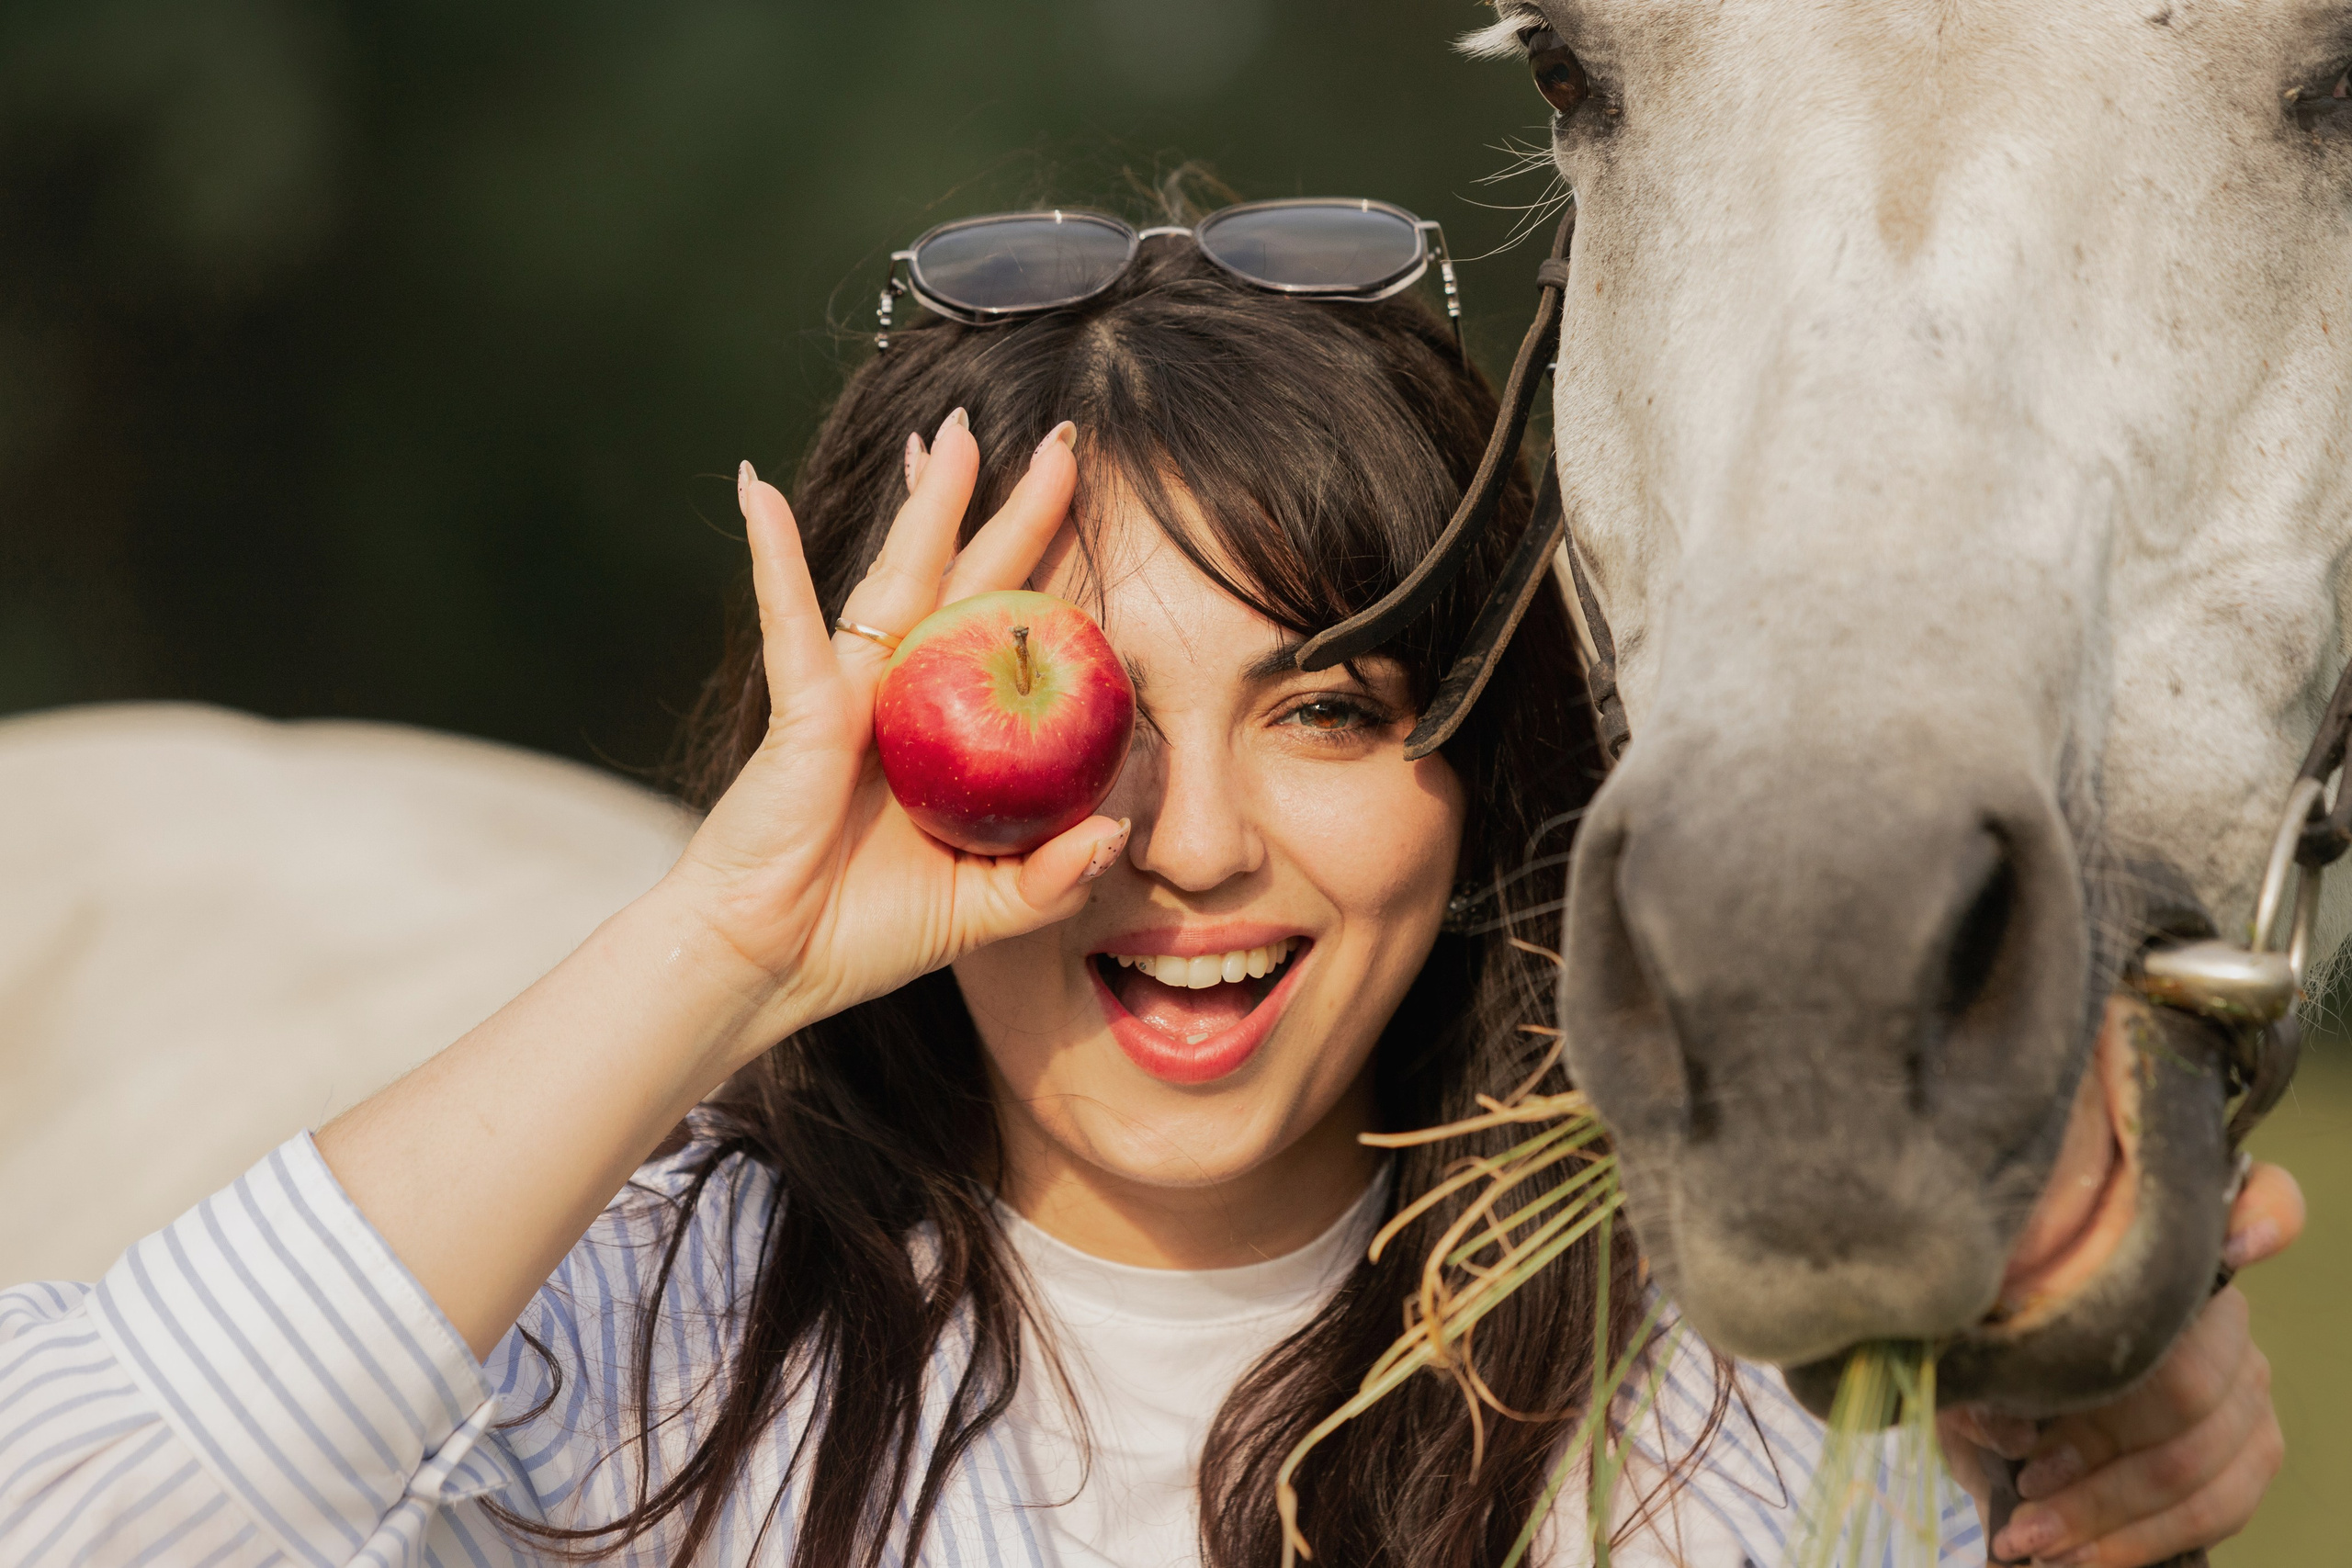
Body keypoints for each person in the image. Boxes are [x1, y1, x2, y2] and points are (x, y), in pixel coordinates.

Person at [0, 202, 2301, 1568]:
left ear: (1479, 773)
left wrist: (2058, 1431)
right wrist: (721, 946)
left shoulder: (1700, 1411)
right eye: (1086, 713)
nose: (1194, 841)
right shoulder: (647, 1341)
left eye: (1330, 707)